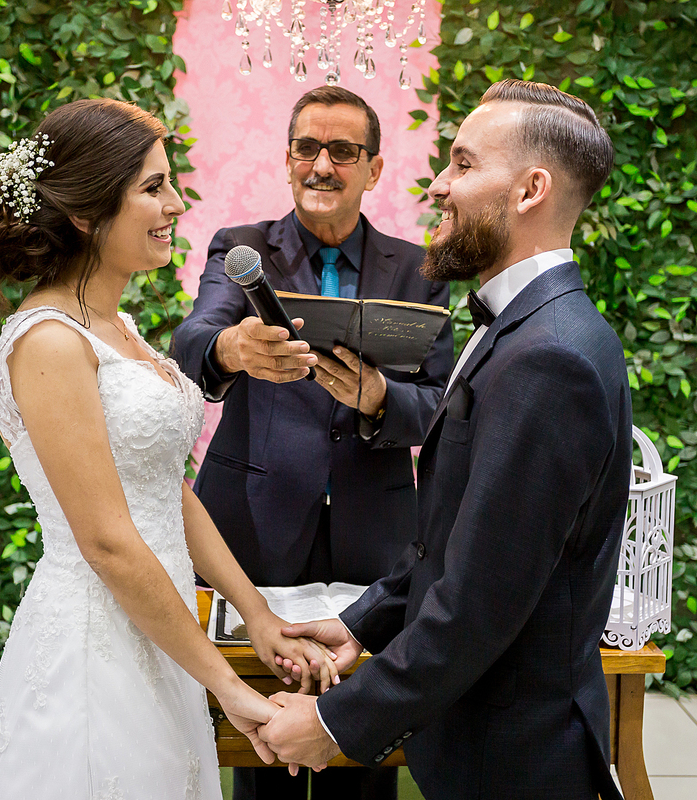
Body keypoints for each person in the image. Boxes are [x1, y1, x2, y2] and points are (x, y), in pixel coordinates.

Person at [257, 79, 633, 800]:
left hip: (516, 759)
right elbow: (456, 536)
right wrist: (362, 624)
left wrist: (335, 723)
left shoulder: (550, 358)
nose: (437, 185)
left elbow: (481, 602)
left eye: (462, 164)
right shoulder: (523, 326)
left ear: (530, 190)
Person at [0, 98, 336, 800]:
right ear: (86, 213)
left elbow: (165, 489)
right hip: (95, 643)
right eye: (153, 187)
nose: (176, 205)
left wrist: (256, 613)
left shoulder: (119, 325)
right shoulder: (50, 341)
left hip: (164, 634)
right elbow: (107, 542)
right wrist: (228, 686)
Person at [172, 86, 453, 800]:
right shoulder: (241, 248)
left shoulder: (420, 270)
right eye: (307, 148)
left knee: (363, 745)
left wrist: (379, 398)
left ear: (374, 168)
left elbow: (441, 407)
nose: (322, 165)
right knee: (261, 747)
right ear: (288, 159)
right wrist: (231, 348)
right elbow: (192, 342)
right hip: (253, 526)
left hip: (374, 534)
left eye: (343, 151)